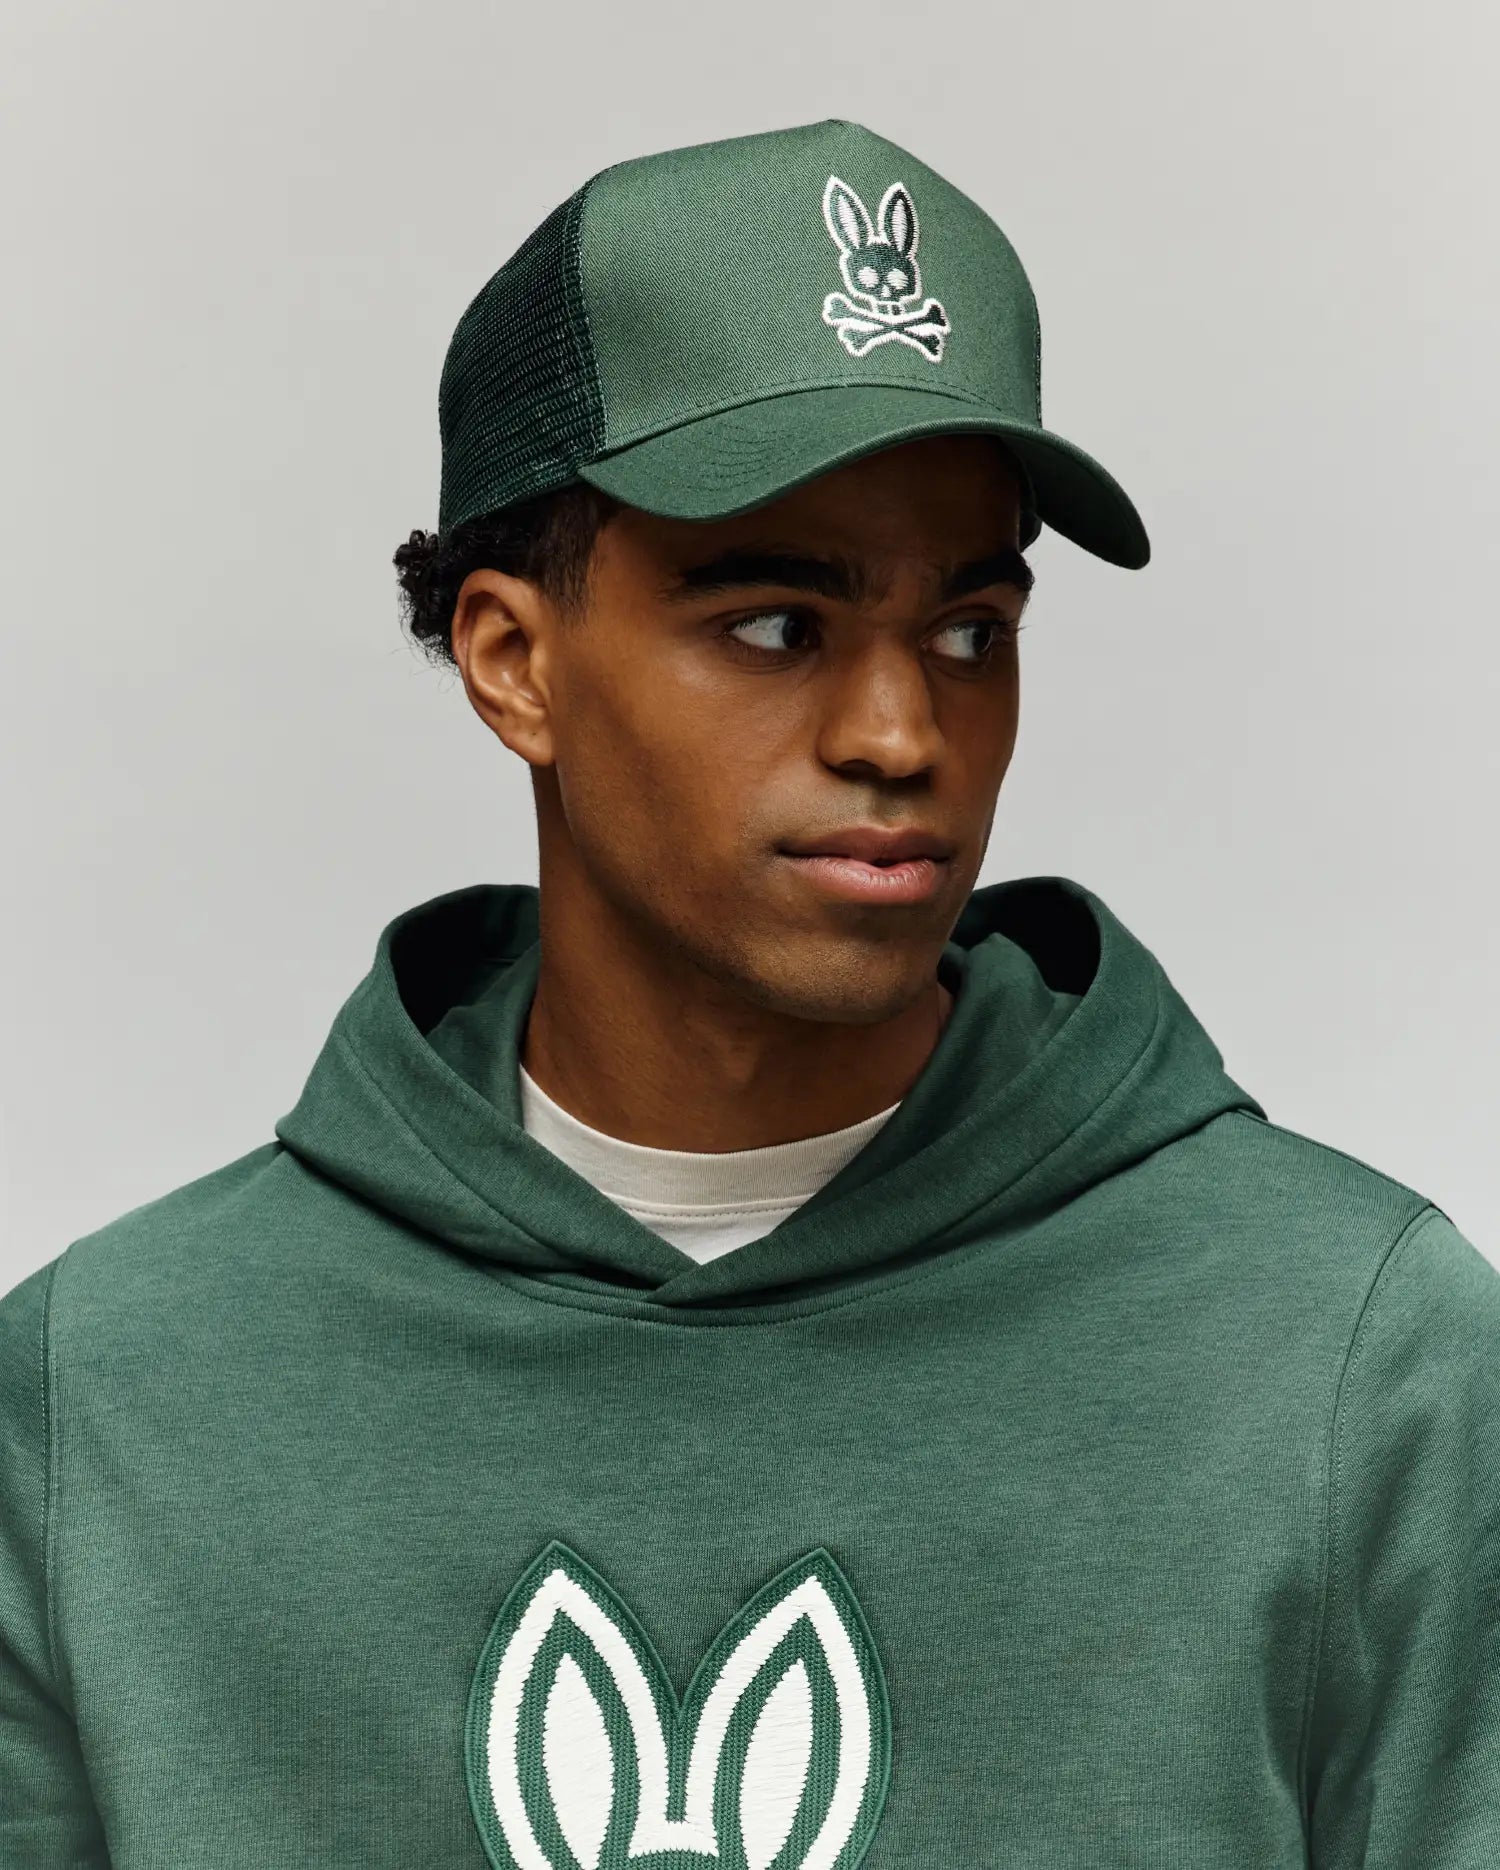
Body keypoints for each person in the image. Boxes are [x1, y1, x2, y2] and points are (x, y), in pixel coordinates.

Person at [1, 116, 1494, 1870]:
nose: (901, 734)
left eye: (970, 631)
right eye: (779, 624)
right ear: (512, 659)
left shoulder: (1353, 1362)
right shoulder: (102, 1403)